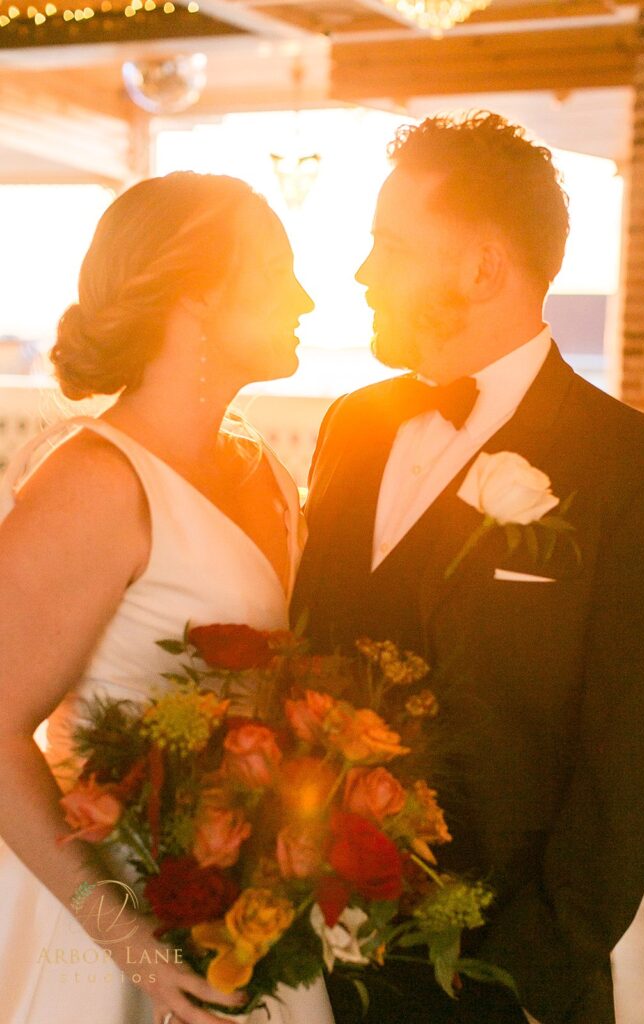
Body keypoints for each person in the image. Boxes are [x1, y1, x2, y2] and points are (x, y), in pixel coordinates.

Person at [291, 112, 644, 1024]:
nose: (361, 273)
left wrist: (513, 987)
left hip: (502, 984)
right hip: (309, 968)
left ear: (481, 267)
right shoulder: (352, 425)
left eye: (389, 245)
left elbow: (626, 781)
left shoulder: (641, 475)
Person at [0, 172, 334, 1024]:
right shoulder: (96, 482)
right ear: (197, 295)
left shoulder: (262, 465)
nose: (303, 296)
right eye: (277, 270)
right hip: (106, 922)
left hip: (239, 911)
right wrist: (134, 949)